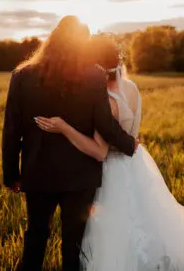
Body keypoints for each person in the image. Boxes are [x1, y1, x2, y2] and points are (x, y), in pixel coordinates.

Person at [2, 16, 138, 271]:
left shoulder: (22, 76)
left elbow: (11, 131)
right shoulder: (94, 76)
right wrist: (129, 144)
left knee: (35, 238)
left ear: (52, 39)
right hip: (80, 176)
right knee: (73, 246)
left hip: (38, 172)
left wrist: (11, 175)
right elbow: (105, 124)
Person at [36, 37, 184, 271]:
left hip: (111, 171)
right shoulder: (132, 88)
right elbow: (133, 134)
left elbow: (99, 152)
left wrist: (63, 128)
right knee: (145, 220)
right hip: (135, 164)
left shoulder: (104, 99)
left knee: (113, 231)